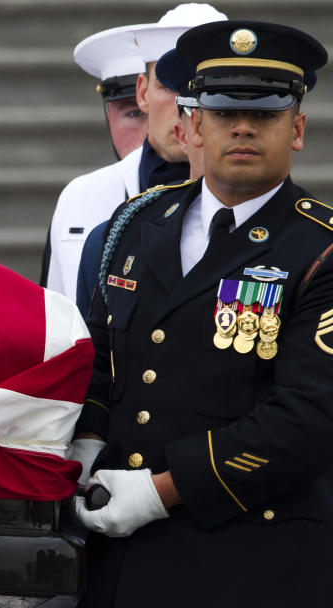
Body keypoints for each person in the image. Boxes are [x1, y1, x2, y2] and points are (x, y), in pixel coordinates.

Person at [72, 19, 333, 607]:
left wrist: (163, 491)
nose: (243, 127)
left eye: (265, 114)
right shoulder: (136, 224)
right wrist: (85, 442)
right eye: (221, 112)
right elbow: (99, 356)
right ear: (191, 125)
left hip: (252, 562)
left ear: (297, 129)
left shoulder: (320, 250)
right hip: (118, 560)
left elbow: (309, 421)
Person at [42, 3, 225, 302]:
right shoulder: (82, 197)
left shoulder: (264, 197)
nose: (187, 105)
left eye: (204, 88)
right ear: (142, 93)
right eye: (171, 85)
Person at [72, 24, 148, 161]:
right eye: (135, 114)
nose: (150, 134)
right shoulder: (87, 184)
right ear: (110, 122)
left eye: (171, 112)